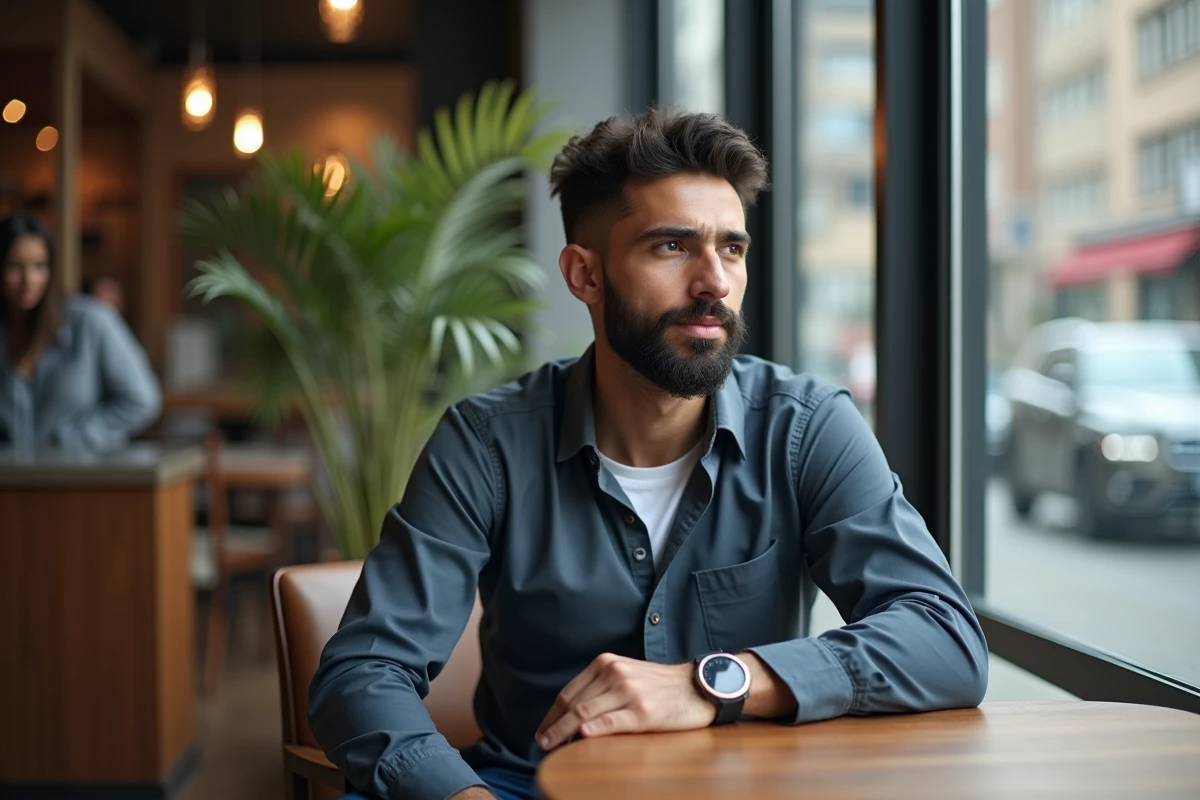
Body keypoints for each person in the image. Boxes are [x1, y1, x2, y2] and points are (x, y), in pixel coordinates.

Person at [310, 110, 988, 800]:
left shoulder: (806, 428)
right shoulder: (486, 445)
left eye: (732, 249)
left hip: (747, 786)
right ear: (585, 274)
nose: (714, 282)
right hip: (531, 787)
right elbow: (363, 673)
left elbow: (944, 638)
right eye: (672, 246)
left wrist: (713, 683)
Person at [0, 212, 161, 453]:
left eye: (39, 266)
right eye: (15, 266)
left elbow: (142, 400)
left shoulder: (91, 322)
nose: (29, 280)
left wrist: (70, 441)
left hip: (80, 472)